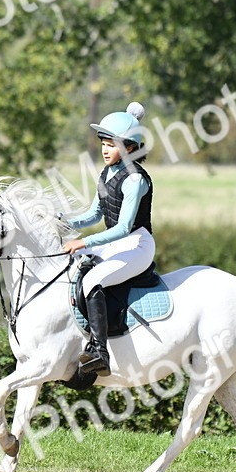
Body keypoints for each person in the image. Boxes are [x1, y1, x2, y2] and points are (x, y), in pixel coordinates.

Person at [61, 101, 155, 376]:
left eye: (111, 144)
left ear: (129, 148)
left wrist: (84, 242)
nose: (104, 149)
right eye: (103, 143)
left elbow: (124, 227)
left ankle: (99, 352)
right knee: (70, 268)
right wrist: (61, 220)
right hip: (115, 245)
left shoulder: (135, 180)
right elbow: (92, 215)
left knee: (92, 279)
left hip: (137, 246)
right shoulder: (107, 172)